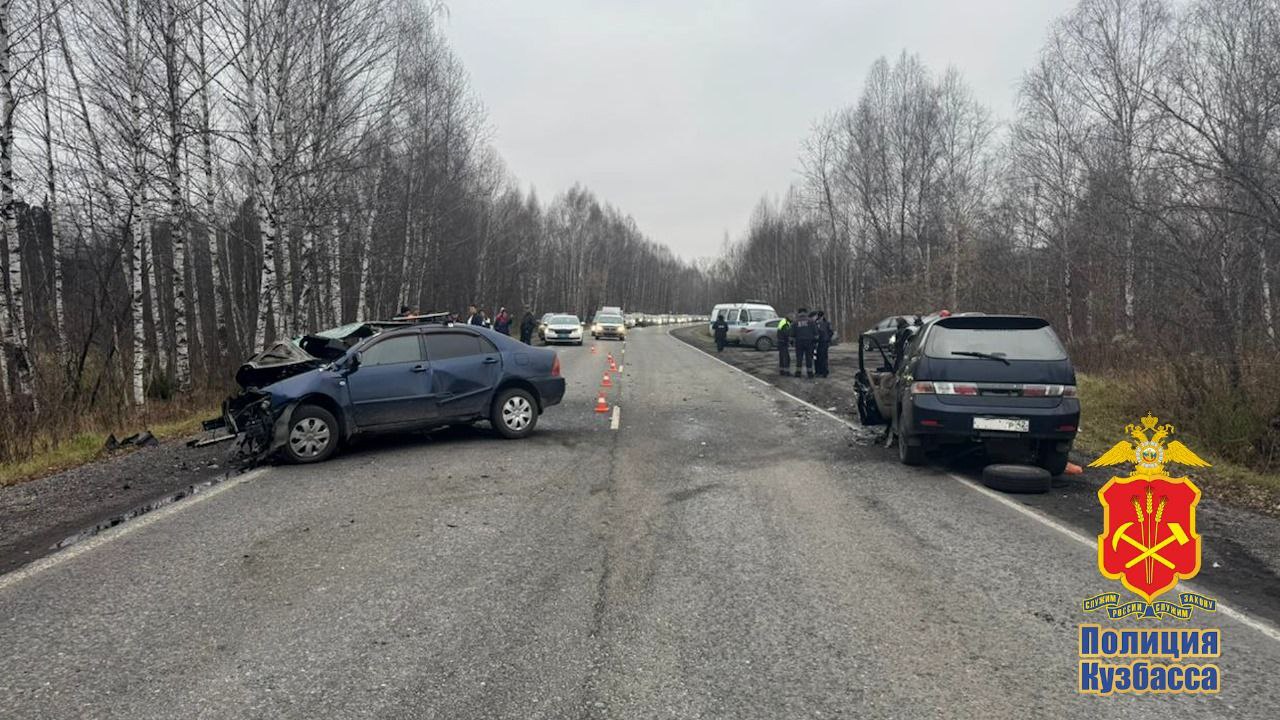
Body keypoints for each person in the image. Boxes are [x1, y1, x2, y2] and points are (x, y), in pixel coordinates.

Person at [792, 307, 816, 378]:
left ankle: (798, 373)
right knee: (809, 358)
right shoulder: (811, 321)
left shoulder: (795, 322)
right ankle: (810, 373)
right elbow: (815, 332)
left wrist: (792, 342)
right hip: (809, 342)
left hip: (799, 342)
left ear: (799, 313)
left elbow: (792, 334)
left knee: (799, 358)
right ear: (806, 312)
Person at [814, 310, 833, 378]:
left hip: (820, 342)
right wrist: (828, 339)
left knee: (819, 357)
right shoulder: (826, 323)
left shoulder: (816, 323)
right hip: (823, 342)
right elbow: (831, 332)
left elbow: (830, 332)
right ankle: (823, 371)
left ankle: (821, 372)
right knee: (822, 357)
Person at [776, 312, 792, 376]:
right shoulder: (786, 323)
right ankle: (786, 372)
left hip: (780, 342)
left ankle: (782, 371)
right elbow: (786, 334)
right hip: (783, 342)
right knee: (786, 358)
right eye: (792, 317)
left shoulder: (783, 321)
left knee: (782, 358)